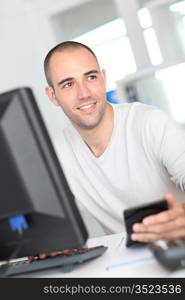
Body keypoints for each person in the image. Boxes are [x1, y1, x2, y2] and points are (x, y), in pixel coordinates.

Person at [44, 41, 185, 244]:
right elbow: (46, 221)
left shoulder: (150, 123)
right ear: (52, 96)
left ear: (103, 79)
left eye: (90, 77)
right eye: (68, 84)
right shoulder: (55, 153)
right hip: (127, 262)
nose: (84, 94)